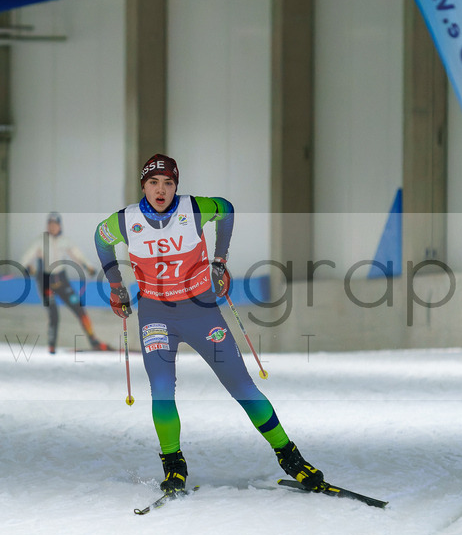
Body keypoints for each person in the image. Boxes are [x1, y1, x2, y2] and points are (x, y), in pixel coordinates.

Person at [94, 153, 326, 494]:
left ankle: (290, 457)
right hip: (156, 316)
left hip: (200, 312)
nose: (161, 190)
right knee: (160, 390)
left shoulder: (194, 208)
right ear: (143, 185)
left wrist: (219, 261)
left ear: (176, 186)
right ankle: (174, 465)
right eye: (153, 182)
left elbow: (227, 209)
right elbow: (101, 240)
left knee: (241, 387)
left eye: (169, 183)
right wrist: (116, 285)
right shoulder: (125, 221)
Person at [19, 212, 111, 355]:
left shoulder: (65, 241)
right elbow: (27, 256)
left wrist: (88, 266)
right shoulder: (40, 241)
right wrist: (26, 266)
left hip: (61, 280)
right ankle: (51, 346)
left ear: (59, 226)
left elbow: (77, 254)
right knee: (53, 314)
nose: (52, 227)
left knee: (79, 309)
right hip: (45, 281)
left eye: (55, 225)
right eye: (50, 224)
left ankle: (93, 340)